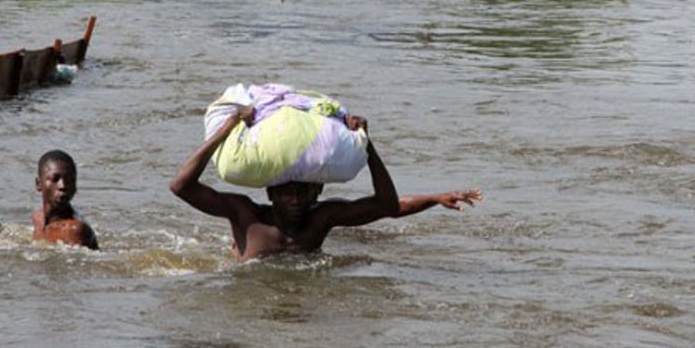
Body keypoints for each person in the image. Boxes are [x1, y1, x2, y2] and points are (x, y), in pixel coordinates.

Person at [170, 105, 481, 262]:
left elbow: (388, 206)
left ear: (317, 191)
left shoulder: (321, 217)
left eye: (302, 192)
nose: (294, 200)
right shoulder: (246, 215)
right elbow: (180, 186)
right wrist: (229, 126)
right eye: (286, 193)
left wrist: (366, 144)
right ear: (270, 191)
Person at [31, 149, 99, 250]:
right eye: (55, 179)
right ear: (38, 184)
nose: (63, 186)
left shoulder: (73, 230)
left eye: (70, 180)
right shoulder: (38, 218)